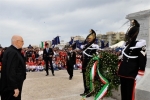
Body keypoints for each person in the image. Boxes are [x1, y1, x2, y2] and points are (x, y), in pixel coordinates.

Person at [118, 19, 147, 100]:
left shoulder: (139, 45)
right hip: (123, 72)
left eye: (129, 34)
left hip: (131, 73)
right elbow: (123, 58)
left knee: (129, 94)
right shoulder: (126, 44)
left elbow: (142, 60)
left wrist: (140, 73)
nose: (128, 36)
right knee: (123, 92)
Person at [0, 35, 26, 100]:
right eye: (22, 41)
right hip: (11, 88)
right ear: (17, 41)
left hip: (10, 86)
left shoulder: (11, 51)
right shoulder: (13, 52)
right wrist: (14, 87)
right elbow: (11, 70)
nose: (23, 43)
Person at [80, 29, 99, 96]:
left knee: (90, 78)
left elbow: (95, 55)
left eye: (89, 38)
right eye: (87, 38)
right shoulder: (86, 46)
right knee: (84, 77)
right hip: (84, 63)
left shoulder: (94, 46)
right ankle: (86, 90)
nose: (88, 39)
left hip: (90, 63)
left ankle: (91, 91)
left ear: (93, 38)